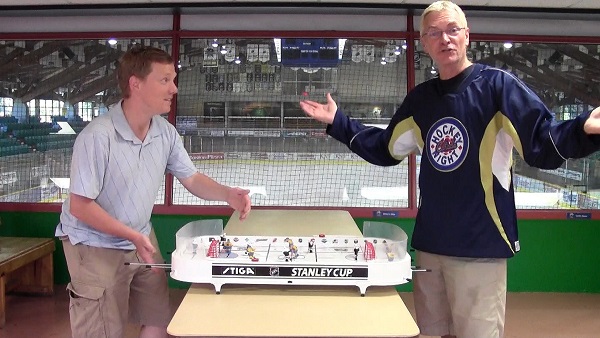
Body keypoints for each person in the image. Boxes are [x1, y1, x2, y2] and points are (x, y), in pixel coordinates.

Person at [299, 1, 600, 337]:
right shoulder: (421, 100)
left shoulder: (498, 87)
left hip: (480, 246)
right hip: (431, 246)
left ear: (467, 35)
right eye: (434, 33)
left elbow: (543, 142)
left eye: (452, 30)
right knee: (433, 333)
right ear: (424, 43)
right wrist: (338, 123)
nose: (445, 39)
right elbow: (386, 148)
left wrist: (582, 129)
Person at [56, 45, 252, 338]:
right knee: (102, 329)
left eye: (173, 80)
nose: (174, 89)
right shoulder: (98, 136)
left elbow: (192, 177)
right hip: (94, 245)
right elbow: (80, 206)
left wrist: (228, 194)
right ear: (135, 83)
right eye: (164, 80)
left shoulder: (165, 132)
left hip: (139, 235)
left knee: (157, 316)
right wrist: (131, 235)